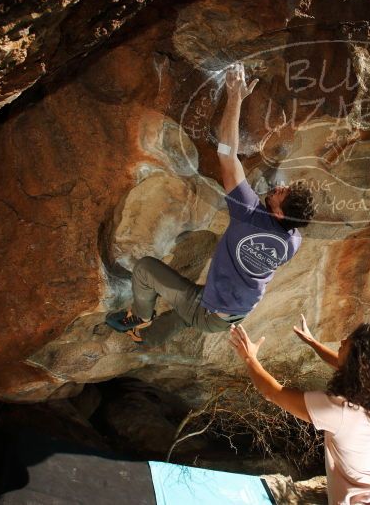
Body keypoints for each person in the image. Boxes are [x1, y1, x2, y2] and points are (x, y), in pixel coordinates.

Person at [106, 62, 316, 341]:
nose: (279, 188)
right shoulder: (293, 242)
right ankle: (172, 324)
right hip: (238, 311)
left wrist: (235, 97)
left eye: (281, 194)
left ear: (279, 214)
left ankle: (140, 319)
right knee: (190, 307)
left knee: (145, 269)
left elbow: (227, 154)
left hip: (208, 312)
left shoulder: (248, 213)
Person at [229, 316, 370, 504]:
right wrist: (312, 342)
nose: (342, 341)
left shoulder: (340, 410)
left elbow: (273, 392)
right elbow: (347, 366)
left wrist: (249, 357)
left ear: (356, 362)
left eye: (347, 342)